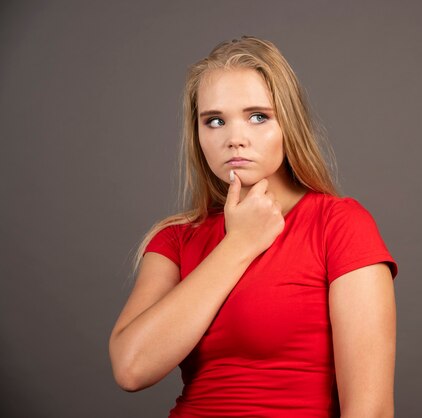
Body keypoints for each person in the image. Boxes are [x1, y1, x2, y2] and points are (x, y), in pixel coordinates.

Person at [108, 35, 398, 418]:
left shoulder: (338, 225)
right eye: (214, 121)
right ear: (197, 136)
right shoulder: (176, 239)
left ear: (288, 125)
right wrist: (237, 245)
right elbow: (131, 368)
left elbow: (370, 411)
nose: (234, 139)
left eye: (258, 116)